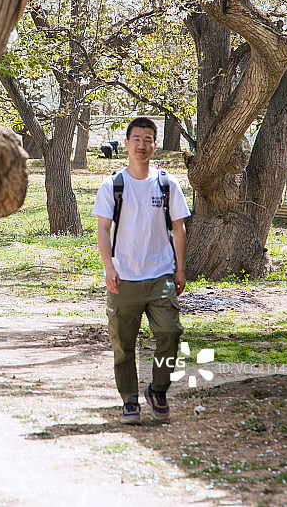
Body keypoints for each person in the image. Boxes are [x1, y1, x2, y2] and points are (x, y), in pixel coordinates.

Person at [92, 117, 190, 424]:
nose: (141, 145)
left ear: (155, 145)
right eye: (136, 139)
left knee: (170, 333)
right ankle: (130, 401)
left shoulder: (167, 183)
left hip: (160, 274)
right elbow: (103, 229)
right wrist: (109, 268)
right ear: (126, 144)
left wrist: (180, 269)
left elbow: (179, 227)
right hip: (124, 279)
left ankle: (158, 391)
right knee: (123, 345)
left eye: (148, 140)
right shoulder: (112, 186)